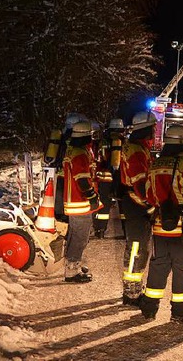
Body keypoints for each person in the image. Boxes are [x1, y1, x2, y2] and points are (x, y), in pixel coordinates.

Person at [140, 124, 183, 322]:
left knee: (158, 265)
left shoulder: (154, 165)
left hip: (160, 225)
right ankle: (181, 311)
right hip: (182, 227)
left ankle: (149, 307)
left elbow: (149, 195)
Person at [118, 111, 157, 306]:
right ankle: (131, 292)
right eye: (153, 128)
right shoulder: (136, 150)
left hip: (135, 202)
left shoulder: (138, 147)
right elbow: (140, 183)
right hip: (136, 203)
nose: (155, 131)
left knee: (140, 246)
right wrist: (151, 204)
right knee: (136, 247)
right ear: (146, 129)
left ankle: (133, 287)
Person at [62, 119, 103, 283]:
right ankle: (72, 270)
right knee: (80, 236)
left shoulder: (73, 150)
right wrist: (92, 196)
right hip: (80, 202)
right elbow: (83, 179)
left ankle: (73, 263)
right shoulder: (80, 152)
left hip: (74, 201)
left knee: (75, 235)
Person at [92, 118, 126, 239]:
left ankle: (100, 230)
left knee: (104, 206)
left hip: (104, 178)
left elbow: (98, 158)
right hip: (120, 178)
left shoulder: (103, 142)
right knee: (123, 206)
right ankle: (126, 232)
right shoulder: (124, 142)